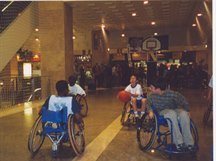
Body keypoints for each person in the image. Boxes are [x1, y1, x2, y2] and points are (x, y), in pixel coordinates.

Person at [146, 77, 194, 152]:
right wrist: (150, 111)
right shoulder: (151, 96)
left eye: (152, 87)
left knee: (184, 114)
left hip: (174, 109)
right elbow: (148, 104)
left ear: (158, 89)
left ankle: (189, 143)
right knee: (171, 114)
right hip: (162, 111)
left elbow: (182, 100)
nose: (150, 88)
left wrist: (187, 110)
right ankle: (179, 143)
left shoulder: (172, 94)